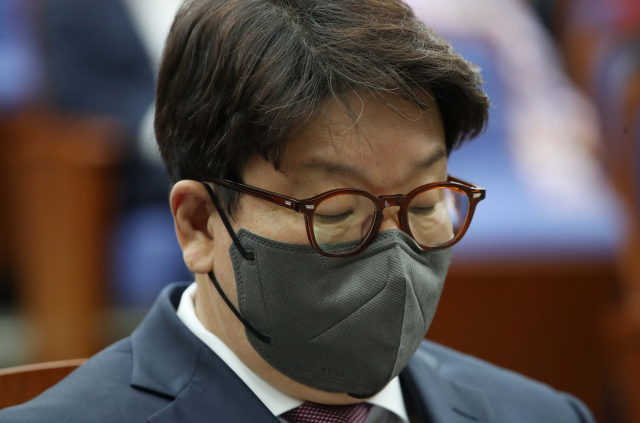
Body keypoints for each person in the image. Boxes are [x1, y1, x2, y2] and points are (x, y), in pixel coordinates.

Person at [0, 0, 595, 421]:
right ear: (199, 224)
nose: (395, 254)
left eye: (425, 200)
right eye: (337, 211)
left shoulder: (544, 415)